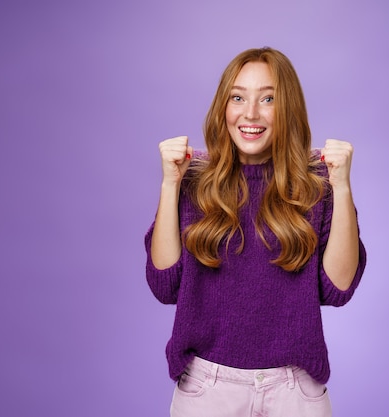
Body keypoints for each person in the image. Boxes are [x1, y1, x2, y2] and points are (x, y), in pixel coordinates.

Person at [145, 47, 367, 417]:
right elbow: (165, 286)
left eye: (268, 99)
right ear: (224, 108)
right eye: (238, 97)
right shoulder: (192, 181)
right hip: (207, 390)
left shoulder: (318, 185)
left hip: (295, 392)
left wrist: (342, 186)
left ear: (288, 110)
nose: (250, 113)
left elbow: (339, 289)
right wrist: (170, 184)